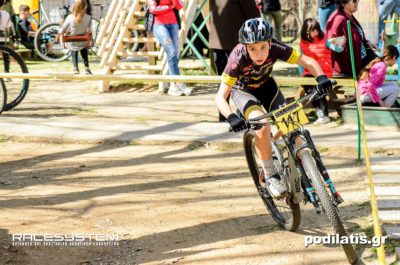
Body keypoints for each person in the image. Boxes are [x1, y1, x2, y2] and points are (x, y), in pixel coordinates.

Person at [215, 18, 335, 198]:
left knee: (294, 128)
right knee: (262, 125)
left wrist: (321, 78)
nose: (258, 54)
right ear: (245, 46)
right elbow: (220, 97)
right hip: (243, 92)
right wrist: (231, 116)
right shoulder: (236, 59)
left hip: (267, 86)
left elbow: (307, 61)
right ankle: (270, 175)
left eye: (263, 47)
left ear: (270, 43)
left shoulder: (277, 48)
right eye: (252, 48)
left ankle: (308, 167)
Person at [209, 0, 260, 121]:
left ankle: (224, 116)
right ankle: (245, 113)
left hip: (218, 42)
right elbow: (253, 14)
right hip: (236, 42)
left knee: (223, 82)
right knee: (244, 80)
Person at [147, 0, 191, 96]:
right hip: (159, 25)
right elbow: (154, 9)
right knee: (171, 51)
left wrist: (172, 4)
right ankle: (178, 83)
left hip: (173, 24)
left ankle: (173, 85)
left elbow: (179, 5)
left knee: (174, 54)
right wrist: (169, 7)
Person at [326, 0, 381, 77]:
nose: (357, 2)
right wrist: (339, 44)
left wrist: (367, 43)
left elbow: (357, 37)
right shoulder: (338, 19)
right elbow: (330, 42)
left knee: (381, 66)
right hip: (348, 68)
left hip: (359, 62)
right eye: (354, 1)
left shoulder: (349, 16)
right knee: (380, 68)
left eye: (357, 0)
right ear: (343, 2)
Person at [300, 18, 333, 124]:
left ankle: (324, 115)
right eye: (313, 30)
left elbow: (335, 48)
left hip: (323, 72)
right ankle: (320, 112)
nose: (316, 32)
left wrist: (338, 45)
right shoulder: (303, 42)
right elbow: (301, 60)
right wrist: (302, 74)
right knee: (308, 85)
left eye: (317, 29)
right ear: (307, 31)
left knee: (319, 86)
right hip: (309, 72)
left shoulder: (324, 39)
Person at [60, 0, 92, 74]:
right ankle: (86, 68)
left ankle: (75, 68)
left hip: (72, 42)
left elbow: (62, 30)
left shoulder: (70, 17)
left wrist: (63, 32)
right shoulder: (88, 17)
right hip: (84, 41)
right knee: (83, 46)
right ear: (85, 7)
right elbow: (89, 30)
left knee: (73, 46)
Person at [0, 0, 13, 80]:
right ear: (2, 5)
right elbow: (9, 26)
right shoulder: (6, 14)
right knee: (6, 56)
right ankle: (7, 74)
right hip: (4, 39)